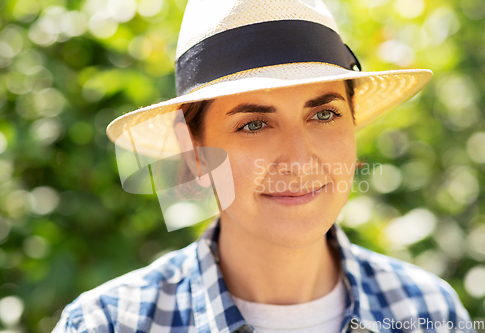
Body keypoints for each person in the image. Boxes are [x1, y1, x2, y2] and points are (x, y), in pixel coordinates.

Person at [53, 0, 476, 332]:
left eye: (324, 114)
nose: (298, 159)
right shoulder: (108, 324)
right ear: (193, 149)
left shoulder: (429, 311)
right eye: (254, 124)